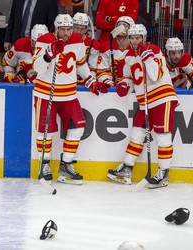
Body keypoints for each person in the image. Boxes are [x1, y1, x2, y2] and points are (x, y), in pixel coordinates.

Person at [32, 14, 108, 185]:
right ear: (56, 28)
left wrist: (90, 81)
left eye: (68, 29)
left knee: (78, 128)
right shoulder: (44, 40)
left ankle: (66, 165)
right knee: (46, 132)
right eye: (62, 29)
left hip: (68, 94)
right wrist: (48, 54)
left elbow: (80, 64)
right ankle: (44, 165)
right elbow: (36, 67)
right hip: (46, 94)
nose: (66, 33)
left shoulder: (77, 40)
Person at [107, 24, 178, 188]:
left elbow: (155, 75)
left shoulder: (153, 50)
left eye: (138, 37)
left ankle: (164, 173)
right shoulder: (129, 56)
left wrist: (147, 57)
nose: (134, 40)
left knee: (163, 136)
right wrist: (125, 84)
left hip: (162, 98)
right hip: (145, 102)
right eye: (132, 37)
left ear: (144, 38)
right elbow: (129, 77)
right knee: (137, 133)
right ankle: (127, 168)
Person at [97, 16, 134, 87]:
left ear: (131, 29)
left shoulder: (136, 48)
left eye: (124, 25)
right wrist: (108, 82)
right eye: (118, 25)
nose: (120, 28)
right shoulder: (106, 46)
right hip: (113, 89)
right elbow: (102, 71)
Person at [72, 12, 100, 84]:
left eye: (82, 29)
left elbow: (93, 67)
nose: (78, 31)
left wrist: (89, 80)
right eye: (76, 28)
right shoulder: (65, 41)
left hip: (85, 78)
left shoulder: (93, 44)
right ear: (72, 27)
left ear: (86, 29)